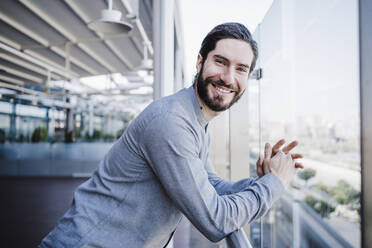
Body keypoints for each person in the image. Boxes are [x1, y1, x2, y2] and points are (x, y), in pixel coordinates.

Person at [39, 22, 303, 248]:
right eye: (220, 62)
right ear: (200, 62)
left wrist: (263, 180)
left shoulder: (195, 120)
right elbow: (215, 220)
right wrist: (275, 184)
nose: (228, 77)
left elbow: (211, 186)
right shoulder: (171, 122)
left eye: (241, 69)